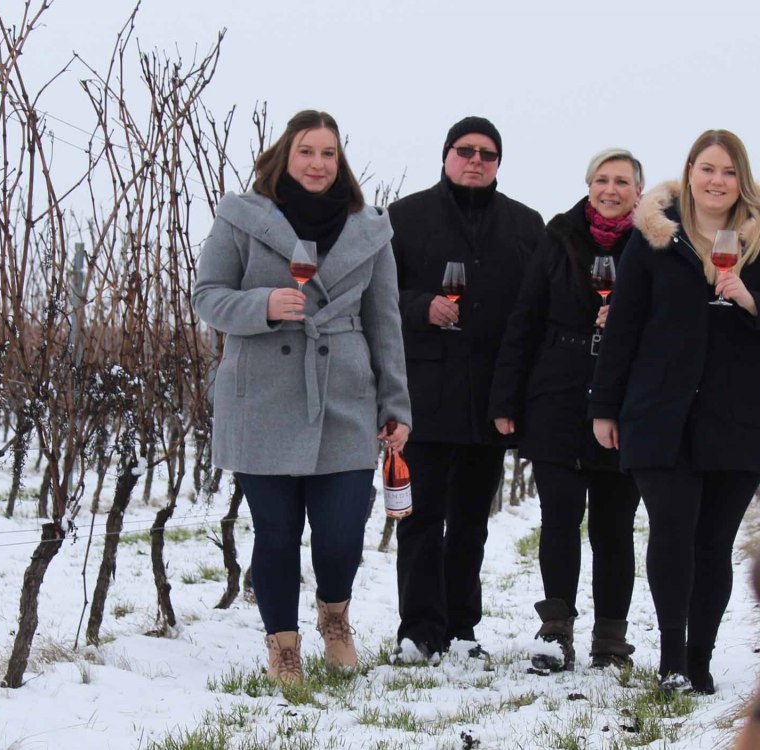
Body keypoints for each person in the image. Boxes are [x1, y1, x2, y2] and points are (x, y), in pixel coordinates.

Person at [191, 109, 411, 685]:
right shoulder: (241, 217)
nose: (318, 163)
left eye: (328, 153)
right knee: (276, 534)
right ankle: (283, 646)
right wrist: (262, 305)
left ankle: (334, 617)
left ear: (341, 161)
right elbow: (207, 295)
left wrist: (396, 405)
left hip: (344, 394)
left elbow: (385, 321)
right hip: (261, 396)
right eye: (306, 151)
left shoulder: (371, 229)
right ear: (285, 156)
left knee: (341, 532)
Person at [588, 129, 760, 693]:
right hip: (660, 413)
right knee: (671, 533)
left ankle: (700, 658)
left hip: (737, 417)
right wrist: (605, 407)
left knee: (713, 543)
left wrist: (751, 300)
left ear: (743, 180)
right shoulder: (654, 241)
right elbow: (624, 328)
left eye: (729, 172)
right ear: (689, 173)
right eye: (707, 169)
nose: (717, 181)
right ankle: (672, 661)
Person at [389, 116, 545, 661]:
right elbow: (377, 297)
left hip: (489, 399)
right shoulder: (404, 217)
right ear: (446, 155)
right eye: (465, 150)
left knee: (471, 523)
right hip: (423, 395)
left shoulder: (526, 224)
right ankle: (418, 630)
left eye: (487, 153)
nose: (476, 160)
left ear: (498, 163)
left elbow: (535, 309)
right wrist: (419, 306)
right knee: (420, 519)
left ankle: (460, 628)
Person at [489, 148, 645, 673]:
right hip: (555, 393)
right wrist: (506, 399)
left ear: (638, 192)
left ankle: (611, 638)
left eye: (621, 181)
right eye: (602, 179)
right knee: (558, 516)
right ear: (588, 185)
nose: (610, 189)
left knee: (614, 523)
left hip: (624, 399)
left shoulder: (654, 244)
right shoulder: (558, 237)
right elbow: (525, 317)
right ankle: (555, 631)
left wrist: (627, 319)